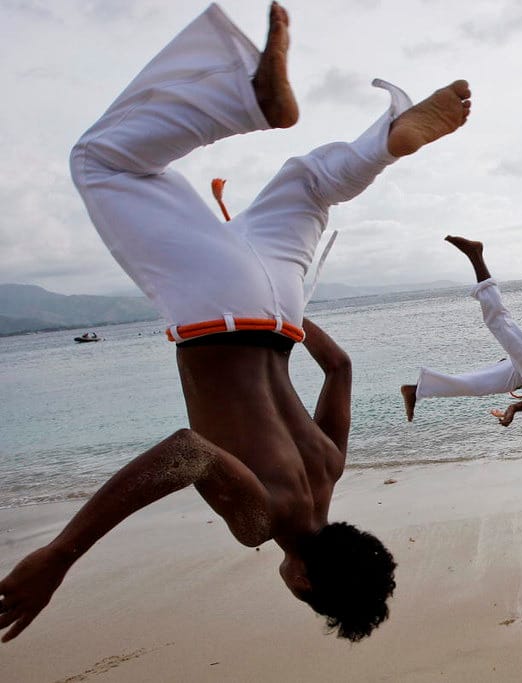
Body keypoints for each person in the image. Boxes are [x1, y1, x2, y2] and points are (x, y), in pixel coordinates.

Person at [0, 3, 470, 643]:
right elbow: (188, 452)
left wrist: (295, 312)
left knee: (307, 185)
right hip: (214, 309)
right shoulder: (264, 520)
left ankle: (381, 144)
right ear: (304, 581)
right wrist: (59, 556)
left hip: (279, 304)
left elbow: (341, 366)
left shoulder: (330, 466)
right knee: (101, 162)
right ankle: (244, 97)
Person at [401, 236, 522, 499]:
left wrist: (517, 398)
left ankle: (416, 390)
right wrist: (514, 408)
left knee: (476, 386)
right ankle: (476, 255)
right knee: (497, 320)